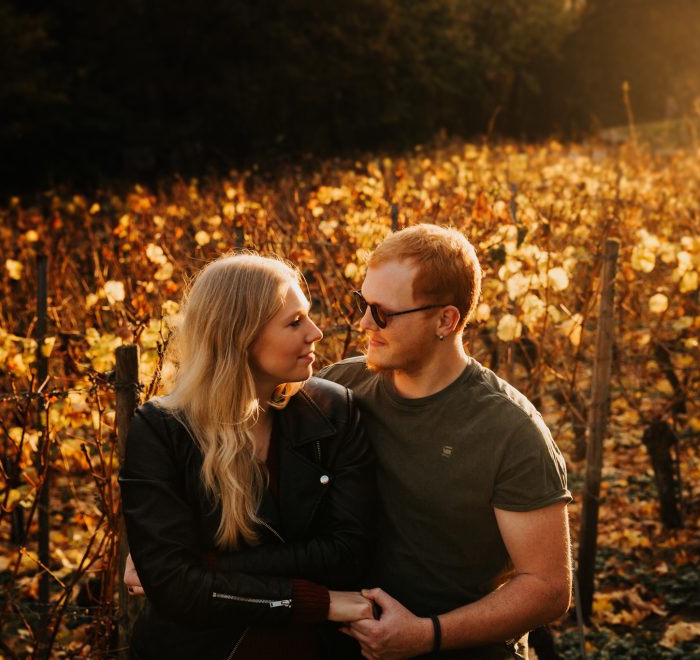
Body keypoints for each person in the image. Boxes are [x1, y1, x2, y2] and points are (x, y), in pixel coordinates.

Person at [315, 223, 572, 659]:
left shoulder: (511, 431)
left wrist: (425, 634)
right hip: (339, 639)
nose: (363, 323)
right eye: (361, 303)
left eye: (382, 313)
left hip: (459, 648)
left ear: (445, 320)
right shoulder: (340, 386)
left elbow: (547, 588)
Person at [119, 253, 377, 659]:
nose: (316, 332)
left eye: (307, 317)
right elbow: (177, 591)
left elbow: (349, 553)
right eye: (294, 322)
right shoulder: (161, 430)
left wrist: (212, 568)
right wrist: (319, 601)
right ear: (238, 336)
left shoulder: (332, 412)